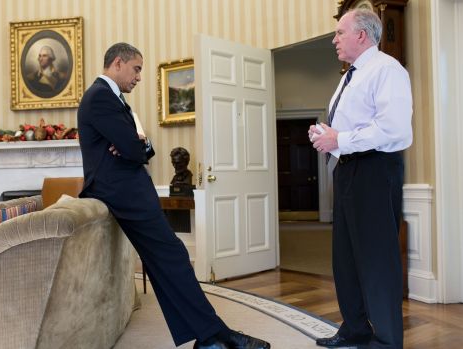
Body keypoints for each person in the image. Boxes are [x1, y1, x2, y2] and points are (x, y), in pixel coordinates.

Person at [78, 42, 270, 349]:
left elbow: (138, 146)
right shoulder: (100, 97)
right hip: (122, 192)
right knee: (173, 257)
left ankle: (211, 336)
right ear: (117, 63)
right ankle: (216, 335)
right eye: (136, 69)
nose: (139, 77)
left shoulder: (109, 97)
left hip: (127, 190)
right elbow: (133, 149)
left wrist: (140, 142)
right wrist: (135, 144)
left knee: (168, 260)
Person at [309, 9, 412, 349]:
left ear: (362, 36)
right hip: (348, 170)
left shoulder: (387, 70)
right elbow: (352, 127)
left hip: (375, 170)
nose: (334, 39)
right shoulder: (350, 74)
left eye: (340, 32)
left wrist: (340, 139)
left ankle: (386, 341)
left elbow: (393, 129)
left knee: (377, 259)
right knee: (346, 256)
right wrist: (328, 134)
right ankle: (355, 329)